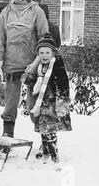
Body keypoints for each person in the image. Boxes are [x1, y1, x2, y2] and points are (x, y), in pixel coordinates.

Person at [0, 0, 49, 143]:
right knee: (10, 104)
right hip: (11, 65)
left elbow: (45, 40)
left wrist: (36, 63)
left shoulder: (36, 11)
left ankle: (47, 141)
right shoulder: (6, 12)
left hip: (32, 66)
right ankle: (7, 138)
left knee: (34, 107)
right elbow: (0, 41)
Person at [30, 33, 72, 163]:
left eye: (47, 52)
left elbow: (63, 84)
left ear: (53, 53)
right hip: (42, 102)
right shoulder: (41, 68)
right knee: (43, 127)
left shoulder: (57, 66)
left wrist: (62, 102)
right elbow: (35, 81)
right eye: (41, 53)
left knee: (50, 128)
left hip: (52, 103)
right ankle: (46, 152)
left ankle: (54, 156)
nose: (44, 55)